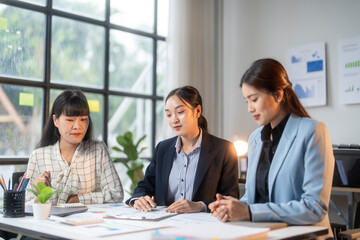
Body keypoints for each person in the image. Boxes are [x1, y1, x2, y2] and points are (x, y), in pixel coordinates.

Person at [209, 59, 334, 239]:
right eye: (246, 101)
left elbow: (314, 208)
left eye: (254, 99)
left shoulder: (313, 131)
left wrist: (249, 212)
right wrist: (231, 208)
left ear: (277, 95)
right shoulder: (255, 138)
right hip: (264, 234)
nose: (249, 108)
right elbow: (254, 198)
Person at [127, 86, 239, 213]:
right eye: (168, 114)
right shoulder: (162, 149)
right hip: (165, 224)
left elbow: (231, 198)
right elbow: (145, 185)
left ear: (197, 111)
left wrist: (200, 205)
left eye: (180, 112)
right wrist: (138, 199)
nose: (174, 120)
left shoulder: (224, 150)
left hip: (204, 226)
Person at [25, 89, 123, 205]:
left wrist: (76, 199)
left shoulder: (98, 150)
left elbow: (116, 194)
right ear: (55, 120)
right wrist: (39, 194)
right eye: (70, 120)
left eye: (83, 119)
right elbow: (26, 205)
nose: (77, 126)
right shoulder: (38, 156)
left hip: (89, 222)